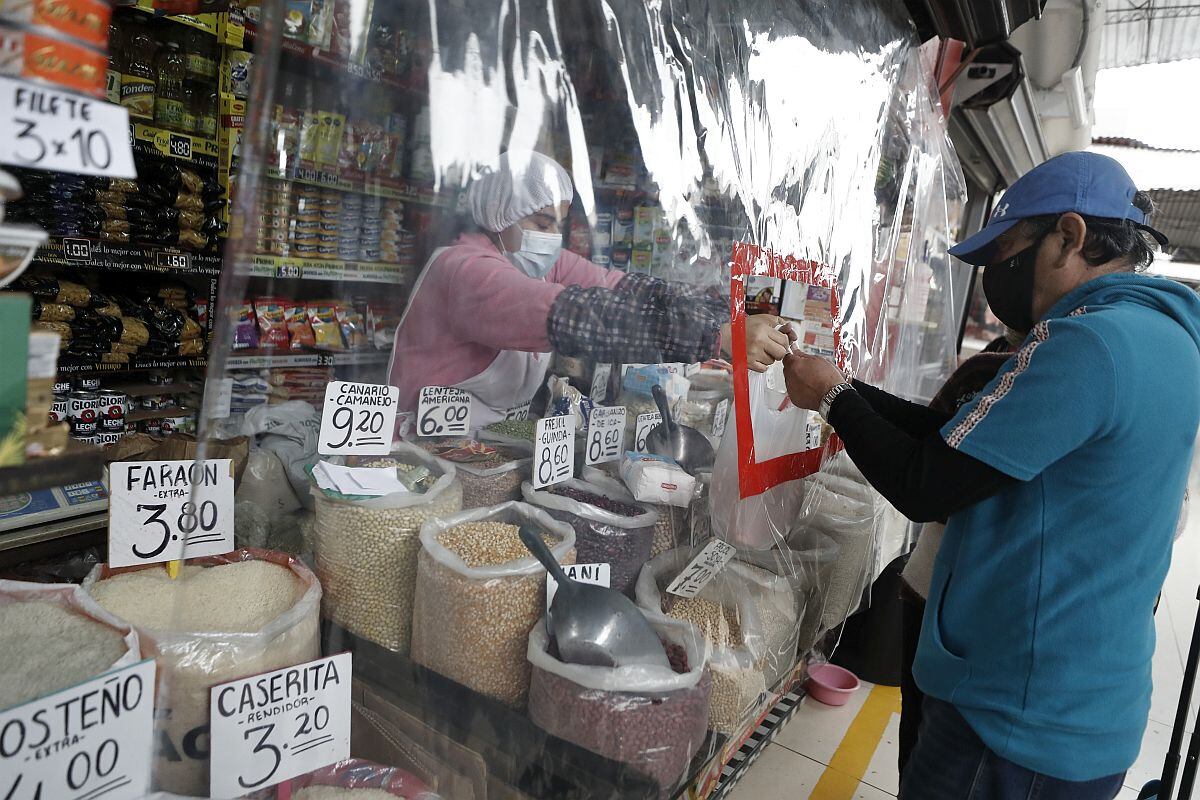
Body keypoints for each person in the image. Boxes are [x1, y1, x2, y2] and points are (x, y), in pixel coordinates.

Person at [780, 151, 1200, 799]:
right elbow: (951, 439)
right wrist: (841, 386)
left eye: (1008, 249)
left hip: (1018, 718)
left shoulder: (1088, 346)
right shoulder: (1159, 336)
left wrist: (835, 401)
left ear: (1070, 235)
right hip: (1081, 700)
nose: (995, 276)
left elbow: (927, 483)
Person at [389, 150, 791, 424]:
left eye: (557, 225)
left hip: (482, 443)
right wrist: (714, 337)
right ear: (499, 215)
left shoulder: (538, 262)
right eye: (542, 224)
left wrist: (734, 312)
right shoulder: (467, 271)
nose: (552, 238)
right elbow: (583, 317)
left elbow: (626, 290)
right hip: (421, 450)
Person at [894, 331, 1019, 777]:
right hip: (931, 585)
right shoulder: (985, 368)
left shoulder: (1063, 370)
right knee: (919, 732)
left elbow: (927, 484)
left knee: (944, 745)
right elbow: (927, 450)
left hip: (985, 613)